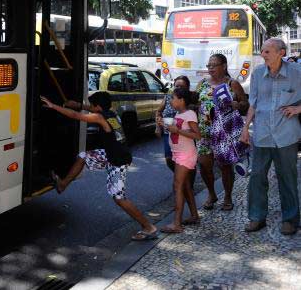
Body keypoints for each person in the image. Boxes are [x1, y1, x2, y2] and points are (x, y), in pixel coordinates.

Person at [40, 92, 159, 241]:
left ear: (97, 107)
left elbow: (76, 116)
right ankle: (63, 184)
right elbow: (90, 109)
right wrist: (78, 105)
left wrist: (53, 106)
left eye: (92, 106)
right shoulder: (112, 113)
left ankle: (149, 227)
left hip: (118, 160)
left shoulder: (100, 117)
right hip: (112, 153)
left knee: (119, 198)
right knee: (83, 156)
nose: (89, 108)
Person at [240, 38, 301, 235]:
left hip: (286, 135)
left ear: (281, 53)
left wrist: (298, 108)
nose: (262, 55)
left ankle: (290, 220)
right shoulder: (258, 73)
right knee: (257, 176)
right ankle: (257, 217)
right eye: (263, 51)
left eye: (267, 51)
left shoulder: (297, 73)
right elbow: (253, 104)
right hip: (262, 134)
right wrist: (245, 128)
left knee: (287, 178)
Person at [195, 53, 248, 211]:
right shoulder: (202, 84)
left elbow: (245, 103)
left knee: (225, 166)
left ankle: (227, 196)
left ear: (224, 66)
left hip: (225, 132)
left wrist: (236, 104)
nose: (210, 68)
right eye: (208, 65)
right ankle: (212, 194)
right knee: (204, 165)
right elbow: (195, 103)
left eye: (214, 65)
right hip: (205, 132)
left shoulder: (232, 83)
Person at [161, 88, 201, 233]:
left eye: (173, 98)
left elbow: (197, 135)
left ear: (181, 100)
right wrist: (166, 126)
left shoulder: (190, 114)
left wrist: (177, 131)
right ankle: (194, 215)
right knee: (184, 186)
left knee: (177, 186)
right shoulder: (179, 114)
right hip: (178, 154)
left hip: (185, 155)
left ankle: (176, 224)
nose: (171, 101)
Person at [155, 76, 195, 188]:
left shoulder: (191, 99)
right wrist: (157, 127)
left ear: (187, 87)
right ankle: (181, 177)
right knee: (169, 159)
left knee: (187, 162)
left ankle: (187, 184)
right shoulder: (168, 97)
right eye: (176, 86)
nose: (178, 88)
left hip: (185, 135)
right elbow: (158, 111)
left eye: (182, 86)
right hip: (169, 134)